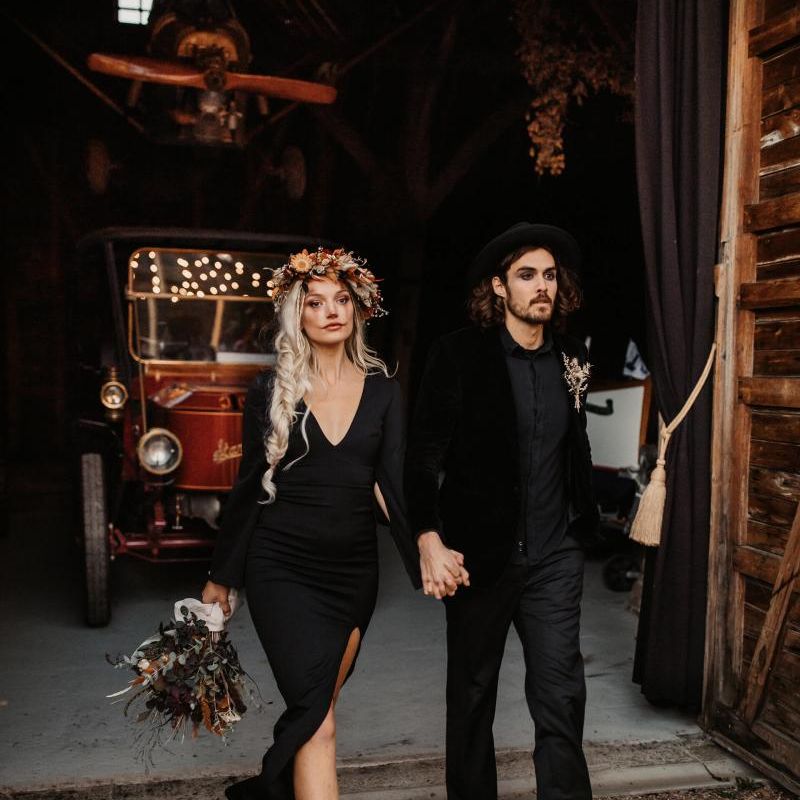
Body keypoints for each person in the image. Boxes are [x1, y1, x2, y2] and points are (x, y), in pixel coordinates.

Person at [202, 246, 424, 800]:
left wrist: (428, 547)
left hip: (352, 576)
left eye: (342, 300)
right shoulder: (270, 392)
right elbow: (249, 489)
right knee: (318, 722)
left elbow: (396, 487)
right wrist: (221, 578)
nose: (332, 311)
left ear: (358, 309)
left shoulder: (384, 392)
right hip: (281, 569)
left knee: (315, 713)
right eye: (317, 302)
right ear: (296, 315)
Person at [405, 222, 598, 800]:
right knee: (471, 699)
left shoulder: (570, 358)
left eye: (549, 275)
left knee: (561, 695)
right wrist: (427, 537)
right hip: (478, 558)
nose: (542, 286)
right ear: (498, 287)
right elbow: (421, 459)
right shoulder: (458, 354)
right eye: (526, 275)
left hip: (554, 557)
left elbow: (573, 450)